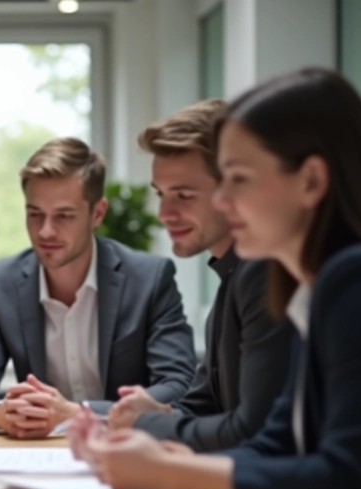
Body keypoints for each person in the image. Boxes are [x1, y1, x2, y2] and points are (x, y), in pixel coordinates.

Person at [67, 68, 361, 489]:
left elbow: (346, 478)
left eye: (238, 180)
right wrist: (150, 456)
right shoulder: (312, 284)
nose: (224, 203)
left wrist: (165, 470)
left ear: (312, 181)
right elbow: (276, 442)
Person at [0, 137, 196, 438]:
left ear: (97, 213)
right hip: (38, 455)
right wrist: (4, 415)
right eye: (34, 214)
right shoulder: (1, 283)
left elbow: (178, 385)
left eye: (64, 216)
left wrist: (80, 414)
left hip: (126, 450)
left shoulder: (149, 278)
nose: (46, 231)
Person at [107, 100, 293, 451]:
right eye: (161, 195)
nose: (164, 213)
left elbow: (253, 429)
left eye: (184, 195)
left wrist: (152, 424)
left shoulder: (265, 274)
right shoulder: (231, 278)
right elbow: (206, 405)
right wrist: (151, 414)